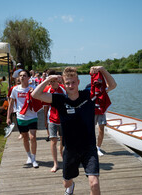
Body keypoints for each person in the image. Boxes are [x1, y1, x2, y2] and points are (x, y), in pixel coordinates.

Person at [32, 66, 115, 195]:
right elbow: (35, 94)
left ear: (78, 82)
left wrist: (103, 69)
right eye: (67, 83)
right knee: (67, 182)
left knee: (94, 183)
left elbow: (112, 85)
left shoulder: (89, 95)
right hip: (70, 149)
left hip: (89, 148)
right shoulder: (59, 99)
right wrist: (49, 79)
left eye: (73, 82)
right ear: (63, 84)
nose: (71, 85)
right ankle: (70, 188)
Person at [6, 70, 39, 168]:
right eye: (20, 76)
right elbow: (11, 104)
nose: (22, 77)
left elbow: (41, 100)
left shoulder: (33, 88)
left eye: (24, 75)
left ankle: (34, 158)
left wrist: (35, 94)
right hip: (21, 117)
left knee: (33, 137)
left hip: (32, 116)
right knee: (25, 137)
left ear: (29, 78)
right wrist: (8, 117)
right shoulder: (15, 89)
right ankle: (28, 156)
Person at [43, 70, 66, 172]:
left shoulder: (63, 89)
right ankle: (55, 163)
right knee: (53, 141)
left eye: (54, 81)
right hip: (52, 119)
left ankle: (62, 154)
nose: (52, 83)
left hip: (63, 119)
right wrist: (45, 119)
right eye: (50, 81)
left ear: (58, 81)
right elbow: (45, 106)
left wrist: (63, 80)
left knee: (63, 140)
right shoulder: (48, 90)